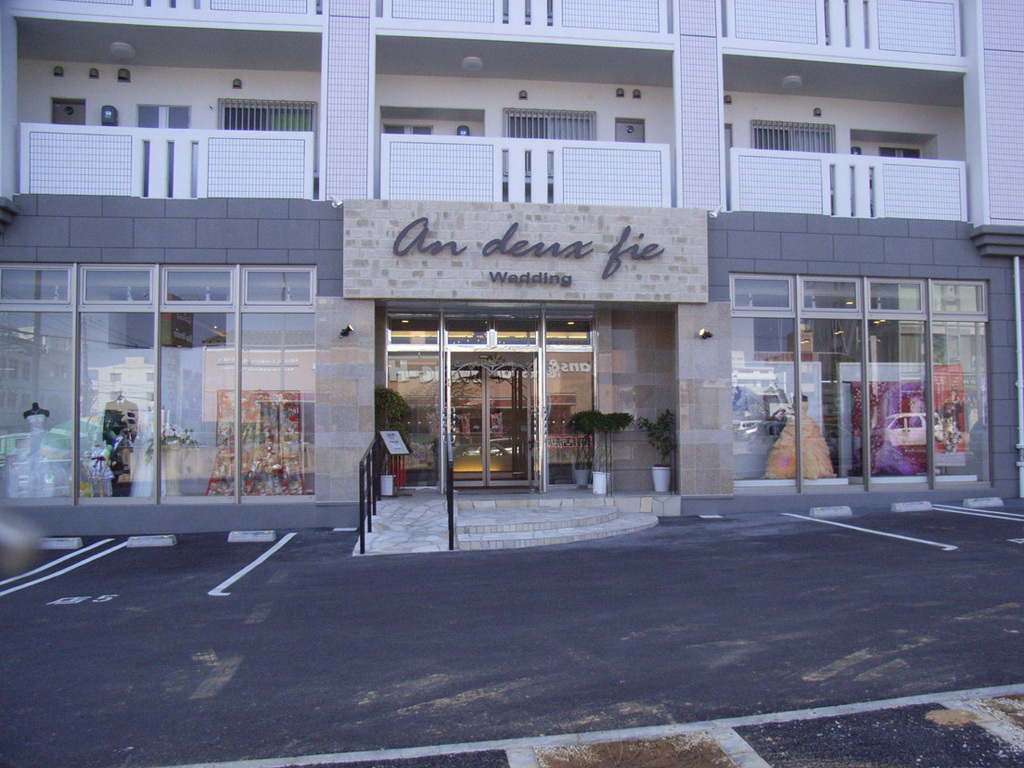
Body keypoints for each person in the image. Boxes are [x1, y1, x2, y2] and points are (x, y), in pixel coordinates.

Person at [22, 403, 50, 497]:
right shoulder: (27, 413)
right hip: (32, 438)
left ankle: (42, 486)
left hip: (42, 437)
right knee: (32, 463)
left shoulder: (45, 412)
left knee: (42, 463)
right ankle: (32, 488)